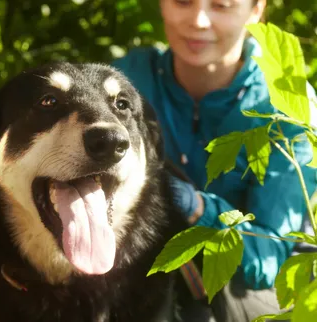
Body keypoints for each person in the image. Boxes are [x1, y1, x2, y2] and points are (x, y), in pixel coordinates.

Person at [112, 0, 317, 321]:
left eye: (221, 5)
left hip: (234, 290)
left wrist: (195, 206)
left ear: (256, 10)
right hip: (133, 270)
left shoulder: (286, 106)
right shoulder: (127, 80)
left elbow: (266, 261)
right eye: (182, 2)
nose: (199, 20)